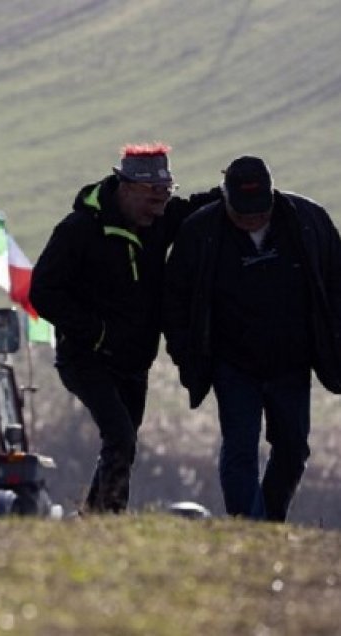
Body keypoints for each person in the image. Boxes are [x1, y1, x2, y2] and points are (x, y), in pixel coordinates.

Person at [30, 143, 220, 514]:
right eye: (152, 199)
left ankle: (94, 518)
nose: (159, 209)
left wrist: (241, 189)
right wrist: (95, 333)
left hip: (136, 361)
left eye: (165, 197)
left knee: (123, 444)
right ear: (126, 186)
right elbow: (43, 292)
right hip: (86, 358)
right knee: (119, 436)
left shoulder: (161, 219)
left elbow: (200, 207)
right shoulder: (78, 230)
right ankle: (111, 516)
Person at [163, 155, 341, 522]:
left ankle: (269, 522)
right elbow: (175, 301)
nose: (252, 220)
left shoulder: (308, 222)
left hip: (292, 362)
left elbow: (336, 283)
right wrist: (186, 354)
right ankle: (249, 524)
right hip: (232, 365)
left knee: (293, 449)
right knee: (240, 448)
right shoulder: (200, 232)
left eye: (260, 211)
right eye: (242, 213)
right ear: (225, 199)